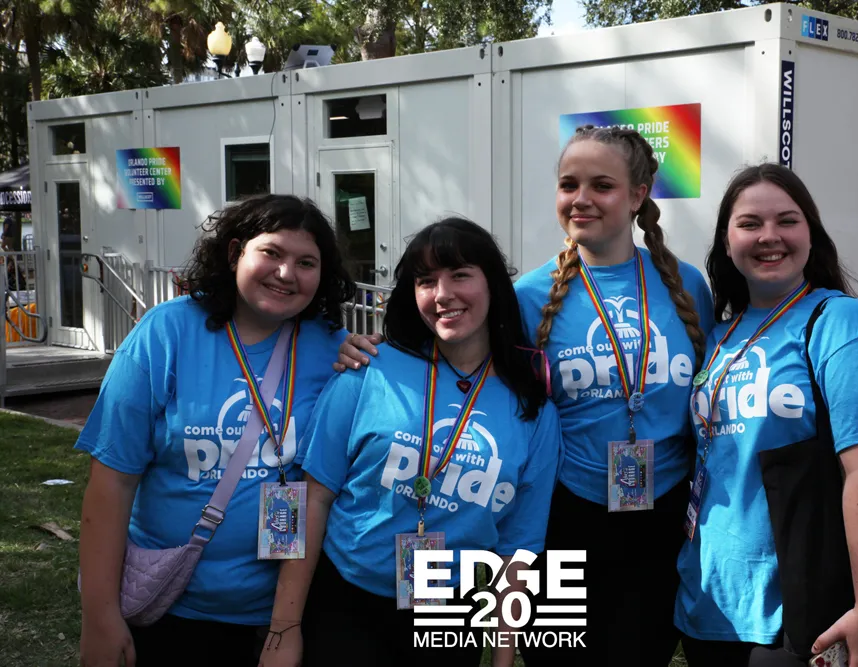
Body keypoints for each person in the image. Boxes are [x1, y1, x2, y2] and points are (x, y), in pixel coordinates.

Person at [335, 126, 715, 663]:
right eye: (568, 184)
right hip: (568, 512)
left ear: (638, 194)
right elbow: (461, 358)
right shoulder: (529, 296)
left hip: (663, 513)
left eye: (602, 185)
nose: (581, 199)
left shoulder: (687, 286)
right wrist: (369, 346)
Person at [259, 217, 562, 667]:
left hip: (450, 614)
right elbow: (315, 498)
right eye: (426, 281)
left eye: (460, 275)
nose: (442, 294)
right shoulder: (367, 368)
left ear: (493, 285)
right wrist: (284, 628)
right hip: (346, 602)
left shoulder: (532, 410)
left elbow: (518, 547)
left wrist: (502, 660)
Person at [76, 194, 357, 667]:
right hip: (172, 604)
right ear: (234, 254)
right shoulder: (166, 333)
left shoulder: (336, 351)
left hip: (287, 612)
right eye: (271, 252)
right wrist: (99, 616)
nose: (286, 273)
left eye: (306, 262)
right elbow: (112, 483)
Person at [673, 163, 858, 667]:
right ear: (726, 242)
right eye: (750, 224)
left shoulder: (841, 322)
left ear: (812, 234)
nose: (769, 236)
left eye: (787, 220)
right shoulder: (720, 336)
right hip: (707, 602)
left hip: (799, 606)